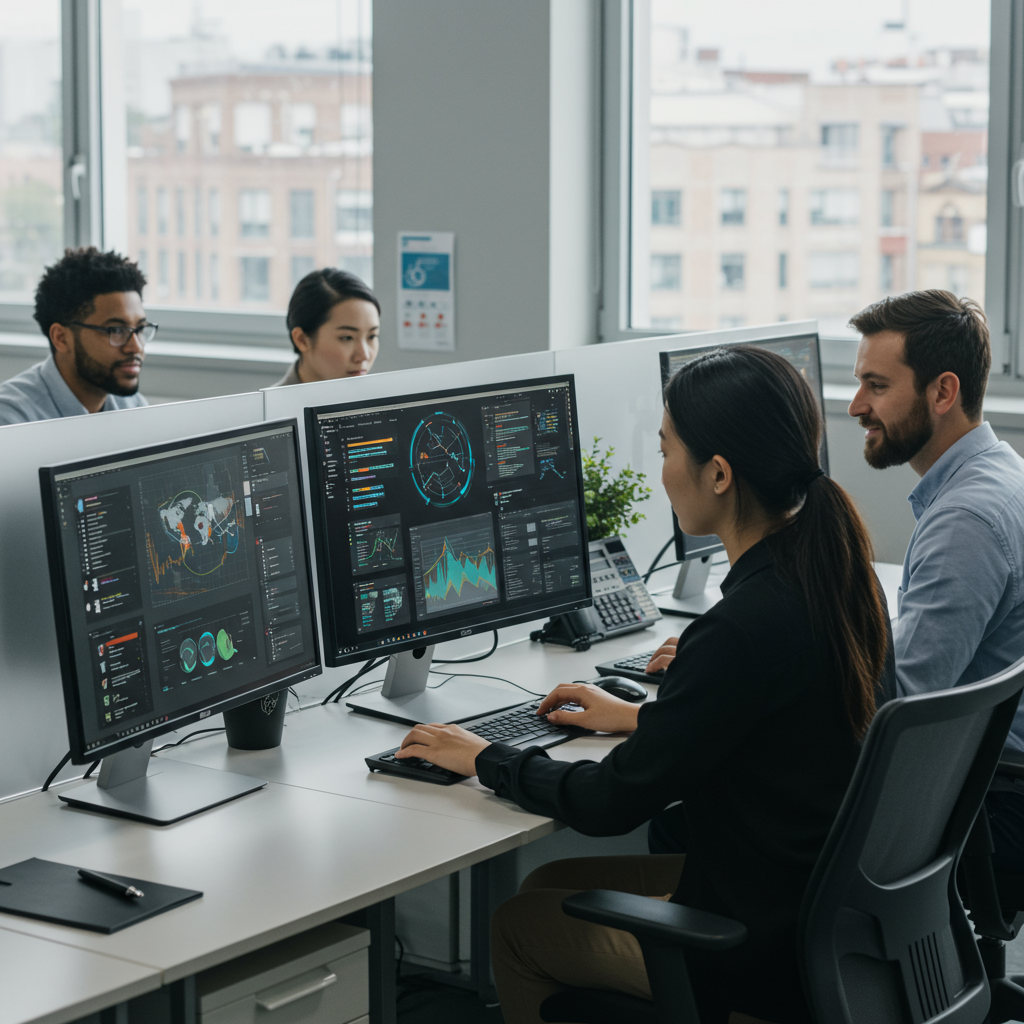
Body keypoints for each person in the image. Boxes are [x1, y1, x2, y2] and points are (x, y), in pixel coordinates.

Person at [396, 347, 895, 1024]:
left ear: (718, 474)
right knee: (548, 882)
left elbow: (610, 802)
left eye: (666, 451)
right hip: (818, 915)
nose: (660, 473)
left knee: (516, 926)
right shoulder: (836, 574)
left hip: (757, 952)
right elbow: (767, 726)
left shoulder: (741, 629)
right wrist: (636, 719)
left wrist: (485, 757)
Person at [847, 289, 1024, 878]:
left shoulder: (965, 521)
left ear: (942, 391)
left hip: (993, 808)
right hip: (996, 781)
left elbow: (898, 713)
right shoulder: (1001, 472)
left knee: (703, 813)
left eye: (876, 385)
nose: (854, 406)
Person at [0, 247, 151, 426]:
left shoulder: (133, 407)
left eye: (140, 329)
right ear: (61, 338)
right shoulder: (11, 419)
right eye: (116, 330)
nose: (136, 347)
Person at [274, 268, 380, 386]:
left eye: (372, 336)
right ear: (302, 340)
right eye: (347, 338)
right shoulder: (271, 404)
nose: (364, 355)